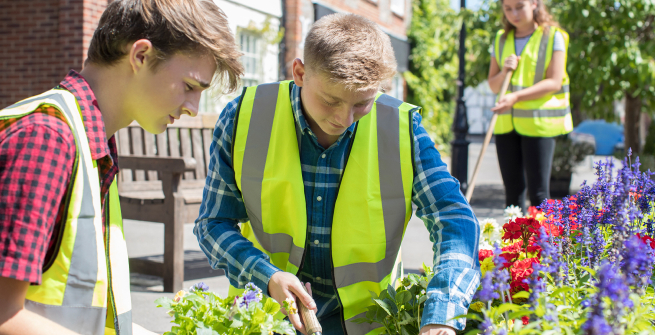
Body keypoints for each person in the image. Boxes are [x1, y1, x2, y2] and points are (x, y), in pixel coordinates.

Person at [195, 13, 480, 335]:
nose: (345, 118)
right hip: (266, 315)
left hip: (370, 323)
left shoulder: (402, 129)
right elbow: (213, 224)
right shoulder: (244, 116)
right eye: (331, 100)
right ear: (300, 72)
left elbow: (454, 218)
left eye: (362, 104)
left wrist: (443, 313)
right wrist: (266, 275)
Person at [0, 1, 243, 334]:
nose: (192, 108)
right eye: (189, 86)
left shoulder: (93, 144)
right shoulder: (48, 138)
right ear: (141, 56)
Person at [488, 0, 573, 214]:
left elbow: (554, 82)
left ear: (534, 3)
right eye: (508, 9)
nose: (513, 13)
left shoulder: (554, 37)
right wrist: (504, 70)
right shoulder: (500, 39)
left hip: (539, 125)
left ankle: (543, 246)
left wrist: (515, 97)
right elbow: (493, 85)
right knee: (512, 195)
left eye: (519, 7)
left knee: (539, 195)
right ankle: (515, 247)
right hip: (506, 124)